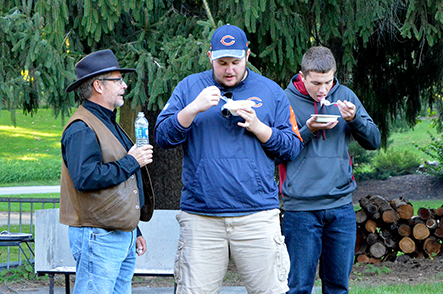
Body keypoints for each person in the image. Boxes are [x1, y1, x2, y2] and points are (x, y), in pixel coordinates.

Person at [154, 24, 303, 293]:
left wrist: (260, 128)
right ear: (210, 56)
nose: (229, 69)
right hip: (201, 217)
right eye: (222, 62)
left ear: (247, 54)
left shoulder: (270, 92)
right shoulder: (190, 88)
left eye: (235, 61)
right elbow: (163, 137)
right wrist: (192, 109)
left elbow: (292, 148)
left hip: (257, 215)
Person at [280, 46, 381, 294]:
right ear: (302, 77)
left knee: (338, 287)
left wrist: (354, 119)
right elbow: (276, 151)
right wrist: (307, 131)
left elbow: (374, 141)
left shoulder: (345, 95)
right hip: (300, 209)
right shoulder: (284, 100)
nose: (323, 90)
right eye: (316, 83)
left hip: (341, 207)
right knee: (298, 287)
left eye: (328, 81)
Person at [60, 49, 155, 294]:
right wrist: (132, 161)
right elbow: (86, 177)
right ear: (98, 86)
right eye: (118, 80)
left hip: (118, 235)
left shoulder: (107, 121)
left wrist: (134, 229)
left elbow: (121, 185)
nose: (124, 85)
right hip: (97, 236)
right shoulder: (82, 127)